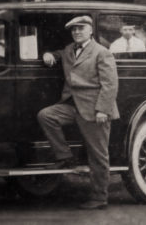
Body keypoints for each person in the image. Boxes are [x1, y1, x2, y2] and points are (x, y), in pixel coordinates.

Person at [37, 15, 118, 210]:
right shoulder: (69, 50)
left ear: (91, 30)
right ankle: (65, 156)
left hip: (94, 110)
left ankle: (100, 197)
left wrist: (102, 110)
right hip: (72, 106)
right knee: (46, 115)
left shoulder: (102, 52)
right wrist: (50, 55)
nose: (77, 32)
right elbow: (59, 53)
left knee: (98, 155)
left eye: (81, 28)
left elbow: (110, 85)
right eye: (73, 30)